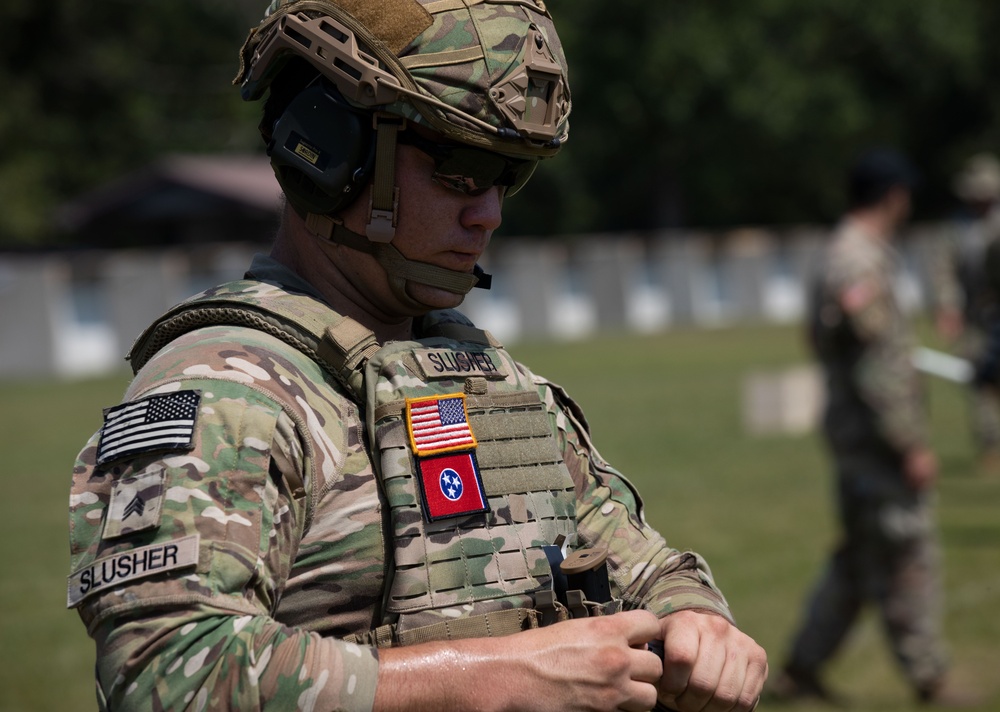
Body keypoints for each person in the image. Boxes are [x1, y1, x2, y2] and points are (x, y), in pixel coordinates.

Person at [66, 1, 767, 710]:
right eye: (462, 171)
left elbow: (639, 561)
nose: (488, 212)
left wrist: (697, 621)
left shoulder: (481, 375)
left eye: (509, 176)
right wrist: (497, 674)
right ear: (330, 150)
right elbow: (163, 674)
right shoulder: (227, 388)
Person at [769, 149, 965, 706]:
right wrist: (909, 442)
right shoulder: (859, 260)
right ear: (894, 196)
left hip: (854, 433)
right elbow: (876, 362)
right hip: (875, 440)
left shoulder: (839, 253)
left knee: (860, 559)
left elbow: (820, 340)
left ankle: (801, 668)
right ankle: (930, 677)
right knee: (908, 554)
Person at [947, 153, 1000, 470]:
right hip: (975, 317)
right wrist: (949, 307)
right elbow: (946, 271)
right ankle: (990, 443)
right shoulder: (959, 228)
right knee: (979, 380)